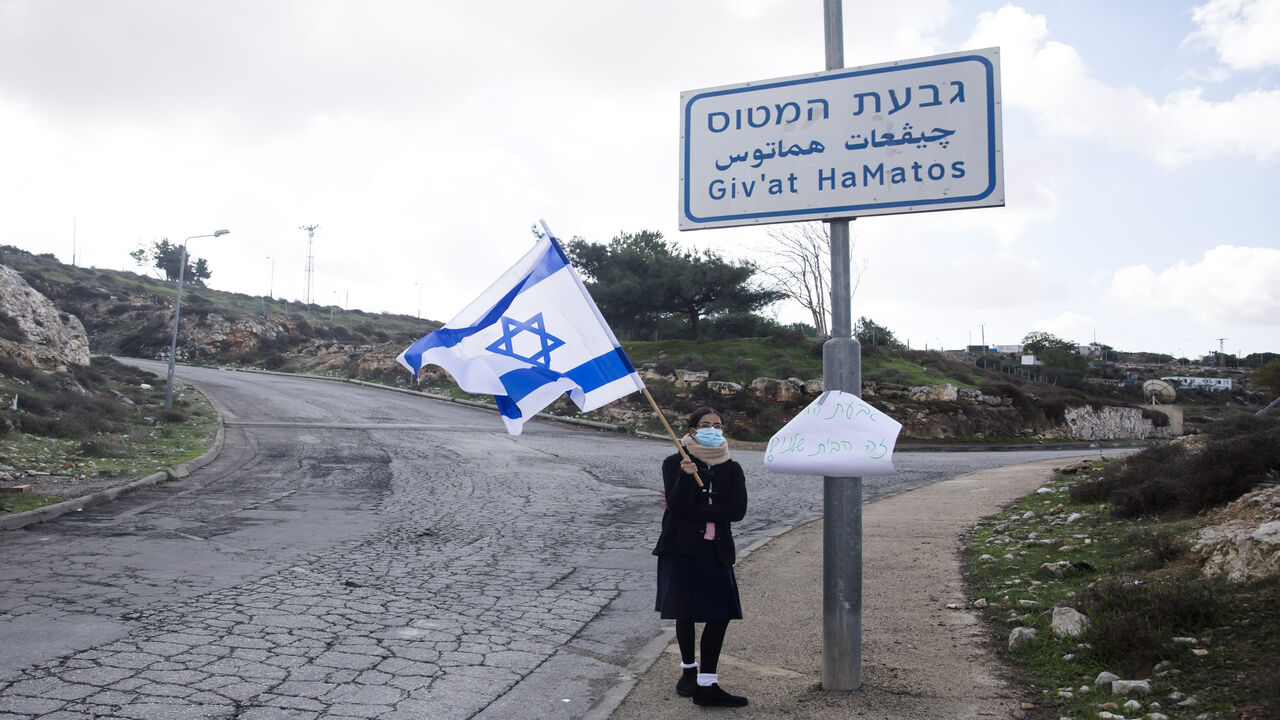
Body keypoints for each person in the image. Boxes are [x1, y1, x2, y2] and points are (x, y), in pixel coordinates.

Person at [652, 407, 749, 707]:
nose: (712, 429)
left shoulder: (732, 468)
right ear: (692, 429)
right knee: (684, 612)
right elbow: (679, 505)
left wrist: (694, 509)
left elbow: (737, 510)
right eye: (705, 425)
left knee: (720, 615)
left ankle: (707, 685)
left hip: (716, 550)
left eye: (718, 425)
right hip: (680, 550)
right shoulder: (675, 463)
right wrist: (684, 479)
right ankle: (688, 673)